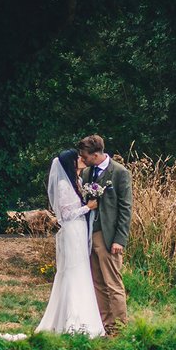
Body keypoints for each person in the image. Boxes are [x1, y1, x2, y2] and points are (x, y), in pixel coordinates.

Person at [35, 148, 105, 337]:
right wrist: (87, 207)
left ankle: (84, 319)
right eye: (77, 158)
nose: (82, 159)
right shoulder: (64, 186)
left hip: (80, 230)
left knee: (82, 270)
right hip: (72, 230)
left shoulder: (78, 181)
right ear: (70, 163)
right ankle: (73, 321)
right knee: (73, 271)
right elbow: (65, 215)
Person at [77, 134, 132, 334]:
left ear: (96, 154)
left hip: (109, 237)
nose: (82, 159)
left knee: (113, 283)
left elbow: (126, 208)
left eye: (85, 156)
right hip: (90, 234)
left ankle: (120, 329)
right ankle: (106, 326)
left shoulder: (119, 172)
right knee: (98, 283)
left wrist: (120, 239)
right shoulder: (86, 173)